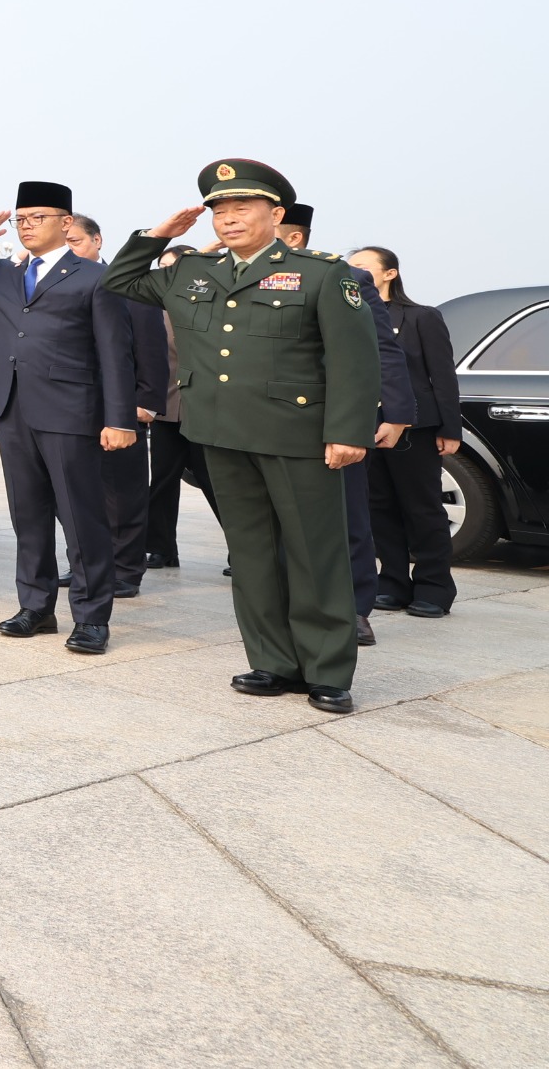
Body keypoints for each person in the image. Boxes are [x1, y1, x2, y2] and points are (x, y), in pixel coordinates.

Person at [108, 160, 378, 713]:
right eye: (219, 211)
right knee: (251, 552)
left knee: (313, 553)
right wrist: (161, 235)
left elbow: (355, 360)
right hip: (220, 433)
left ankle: (326, 669)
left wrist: (348, 431)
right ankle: (272, 661)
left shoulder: (321, 273)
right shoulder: (191, 273)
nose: (228, 219)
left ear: (276, 215)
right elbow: (120, 280)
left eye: (241, 208)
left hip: (297, 435)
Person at [0, 180, 135, 655]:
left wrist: (119, 418)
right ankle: (36, 607)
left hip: (70, 410)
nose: (26, 226)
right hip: (12, 408)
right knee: (29, 515)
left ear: (66, 223)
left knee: (81, 518)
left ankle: (91, 617)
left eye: (37, 217)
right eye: (21, 219)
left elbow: (115, 354)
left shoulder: (94, 276)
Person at [280, 202, 416, 647]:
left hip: (330, 419)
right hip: (266, 422)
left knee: (348, 516)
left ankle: (356, 608)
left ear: (292, 232)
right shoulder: (232, 277)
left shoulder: (341, 276)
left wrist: (396, 414)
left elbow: (382, 349)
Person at [349, 246, 461, 617]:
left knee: (422, 506)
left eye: (362, 267)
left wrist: (450, 427)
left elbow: (442, 376)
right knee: (377, 507)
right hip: (365, 424)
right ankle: (392, 581)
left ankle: (434, 585)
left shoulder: (420, 317)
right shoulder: (349, 315)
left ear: (389, 273)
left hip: (415, 425)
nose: (353, 272)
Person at [68, 215, 166, 598]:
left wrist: (144, 402)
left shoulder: (124, 286)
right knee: (80, 494)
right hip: (76, 407)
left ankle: (126, 569)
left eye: (76, 241)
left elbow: (151, 348)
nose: (70, 248)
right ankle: (88, 564)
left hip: (122, 408)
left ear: (97, 241)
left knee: (122, 494)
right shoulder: (60, 284)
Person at [142, 243, 213, 569]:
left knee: (217, 483)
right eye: (165, 268)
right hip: (165, 409)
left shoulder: (214, 305)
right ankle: (161, 548)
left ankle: (243, 551)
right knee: (163, 481)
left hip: (208, 410)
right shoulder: (151, 308)